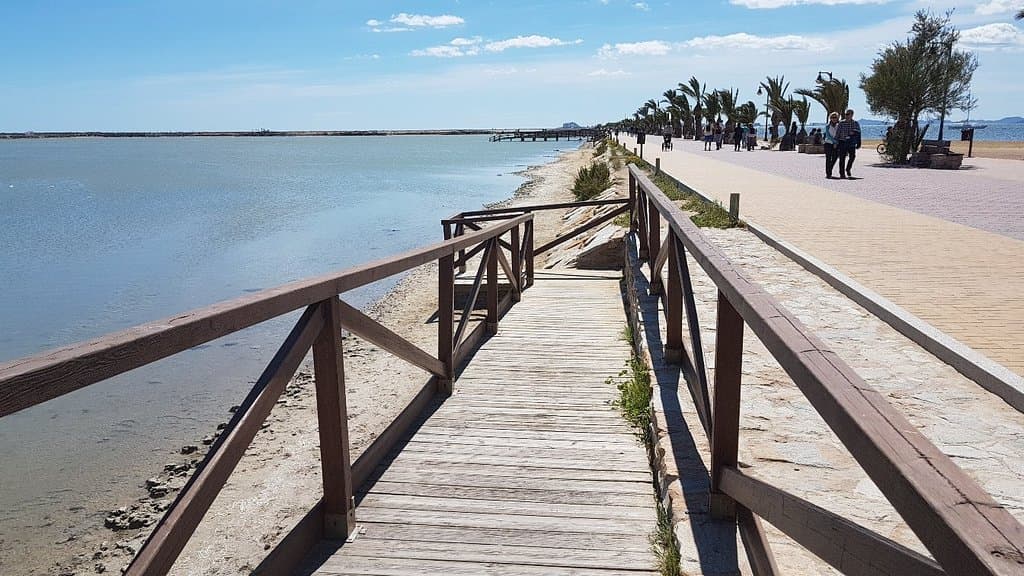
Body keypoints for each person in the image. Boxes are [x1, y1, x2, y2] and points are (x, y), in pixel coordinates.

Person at [836, 108, 862, 179]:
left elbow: (859, 133)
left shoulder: (855, 123)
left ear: (852, 115)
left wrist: (859, 142)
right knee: (842, 158)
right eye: (845, 114)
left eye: (848, 114)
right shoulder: (841, 123)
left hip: (851, 143)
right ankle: (842, 174)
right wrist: (836, 142)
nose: (846, 115)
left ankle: (848, 168)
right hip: (842, 142)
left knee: (852, 156)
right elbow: (837, 133)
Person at [823, 112, 840, 178]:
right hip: (828, 143)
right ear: (830, 118)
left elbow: (839, 134)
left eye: (835, 117)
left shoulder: (839, 126)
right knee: (828, 158)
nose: (834, 119)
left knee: (835, 157)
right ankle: (828, 173)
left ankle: (830, 168)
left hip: (836, 144)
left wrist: (836, 142)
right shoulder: (827, 126)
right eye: (832, 117)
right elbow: (828, 136)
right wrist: (834, 142)